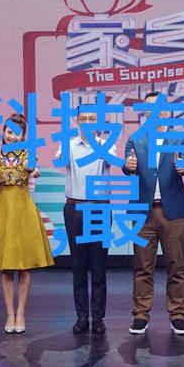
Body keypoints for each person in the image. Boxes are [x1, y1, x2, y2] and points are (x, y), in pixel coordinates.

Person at [122, 91, 184, 335]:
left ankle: (178, 314)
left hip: (172, 211)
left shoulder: (180, 137)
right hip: (143, 212)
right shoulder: (135, 139)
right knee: (142, 267)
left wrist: (183, 167)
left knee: (177, 266)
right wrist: (128, 166)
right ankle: (141, 315)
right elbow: (128, 166)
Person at [0, 114, 54, 334]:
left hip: (23, 212)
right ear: (3, 133)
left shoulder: (29, 155)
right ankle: (9, 314)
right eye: (9, 132)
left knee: (24, 267)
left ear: (23, 136)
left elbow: (34, 169)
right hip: (3, 212)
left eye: (17, 133)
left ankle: (21, 313)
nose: (12, 136)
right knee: (5, 267)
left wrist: (34, 170)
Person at [55, 108, 117, 335]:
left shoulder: (106, 144)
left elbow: (112, 160)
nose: (88, 122)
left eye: (92, 119)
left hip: (99, 208)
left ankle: (98, 318)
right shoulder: (69, 144)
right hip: (74, 208)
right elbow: (59, 159)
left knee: (99, 267)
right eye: (84, 119)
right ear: (77, 121)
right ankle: (82, 316)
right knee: (78, 267)